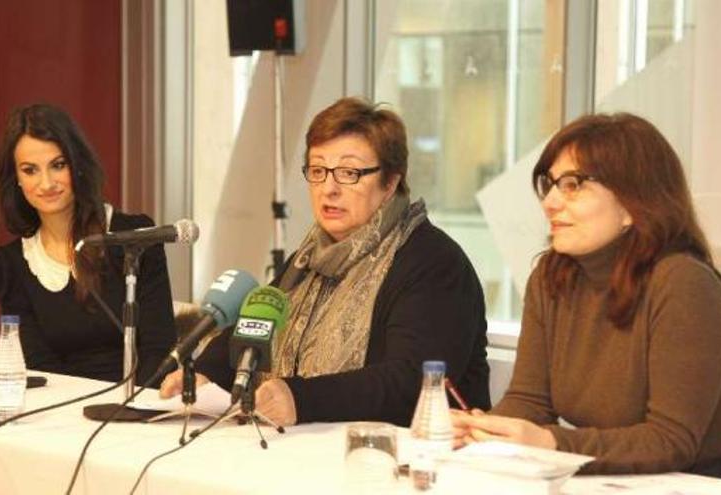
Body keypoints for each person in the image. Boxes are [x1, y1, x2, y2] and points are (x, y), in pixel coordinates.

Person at [451, 113, 721, 477]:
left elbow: (670, 441)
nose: (550, 202)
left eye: (572, 185)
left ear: (634, 204)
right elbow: (530, 401)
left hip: (708, 483)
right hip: (618, 481)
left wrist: (551, 444)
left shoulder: (684, 284)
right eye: (550, 184)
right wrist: (485, 431)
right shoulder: (552, 276)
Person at [161, 97, 490, 426]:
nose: (328, 189)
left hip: (407, 461)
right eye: (318, 171)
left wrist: (301, 399)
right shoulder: (308, 258)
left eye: (348, 173)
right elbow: (252, 332)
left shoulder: (433, 263)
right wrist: (204, 375)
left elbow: (410, 382)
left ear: (390, 182)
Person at [0, 103, 176, 386]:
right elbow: (39, 366)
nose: (46, 183)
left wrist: (129, 408)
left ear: (78, 166)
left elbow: (158, 348)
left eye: (58, 165)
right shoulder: (10, 264)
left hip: (140, 404)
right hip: (62, 413)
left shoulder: (135, 237)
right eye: (30, 170)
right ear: (16, 180)